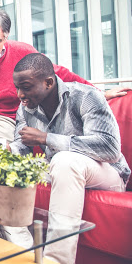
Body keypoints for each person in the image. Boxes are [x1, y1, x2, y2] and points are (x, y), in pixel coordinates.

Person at [0, 8, 130, 229]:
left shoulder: (23, 57)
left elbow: (56, 72)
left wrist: (98, 92)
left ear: (5, 38)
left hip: (4, 119)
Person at [9, 53, 130, 264]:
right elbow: (23, 148)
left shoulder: (86, 96)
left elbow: (110, 149)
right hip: (58, 168)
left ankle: (56, 261)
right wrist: (10, 150)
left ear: (48, 82)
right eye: (17, 88)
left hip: (108, 174)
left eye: (26, 87)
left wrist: (47, 138)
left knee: (65, 160)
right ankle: (23, 252)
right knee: (0, 158)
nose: (20, 94)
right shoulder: (26, 106)